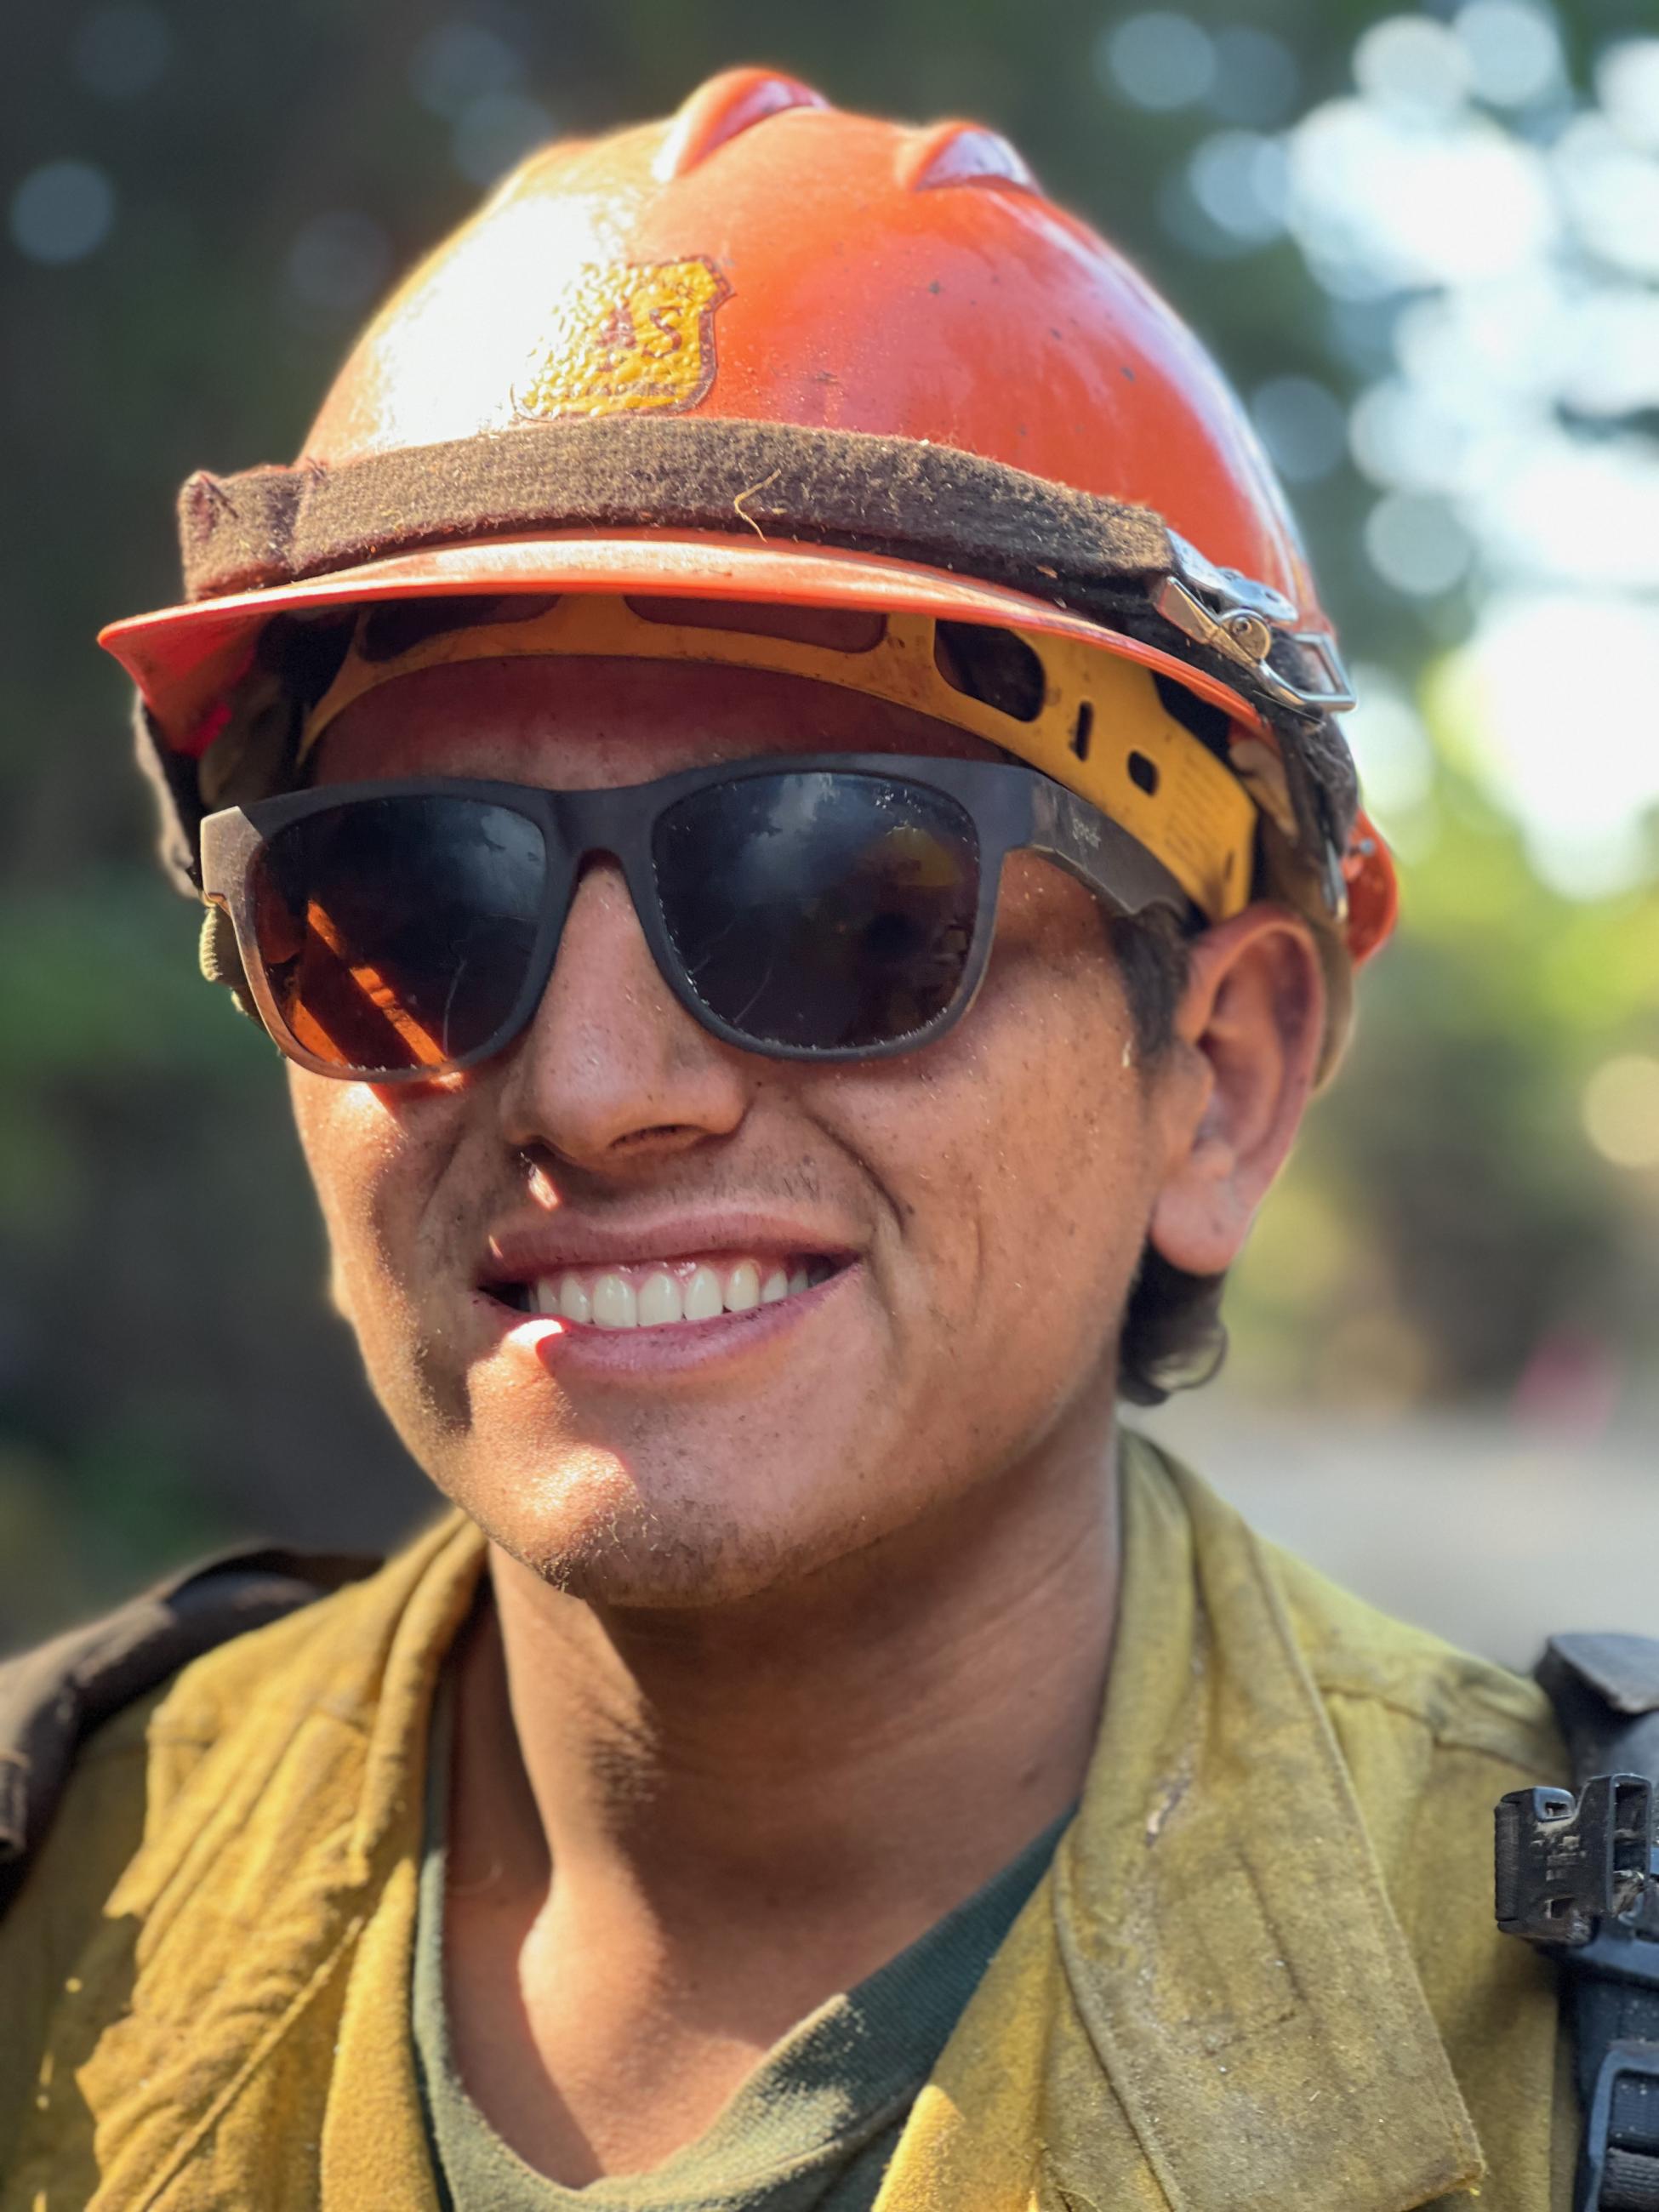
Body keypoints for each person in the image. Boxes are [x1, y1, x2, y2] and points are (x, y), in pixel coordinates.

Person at [0, 68, 1573, 2212]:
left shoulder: (1572, 2049)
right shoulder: (44, 1895)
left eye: (839, 893)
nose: (590, 1084)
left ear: (1220, 1077)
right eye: (405, 906)